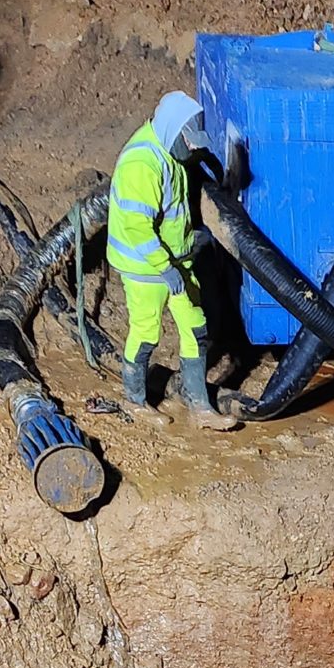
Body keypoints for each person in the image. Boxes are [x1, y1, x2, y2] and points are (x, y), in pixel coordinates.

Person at [106, 92, 235, 429]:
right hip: (144, 267)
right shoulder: (142, 164)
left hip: (178, 261)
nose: (194, 149)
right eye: (189, 142)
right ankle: (134, 400)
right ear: (171, 132)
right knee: (147, 332)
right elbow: (136, 226)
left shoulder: (170, 154)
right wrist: (163, 266)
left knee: (195, 326)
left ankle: (200, 406)